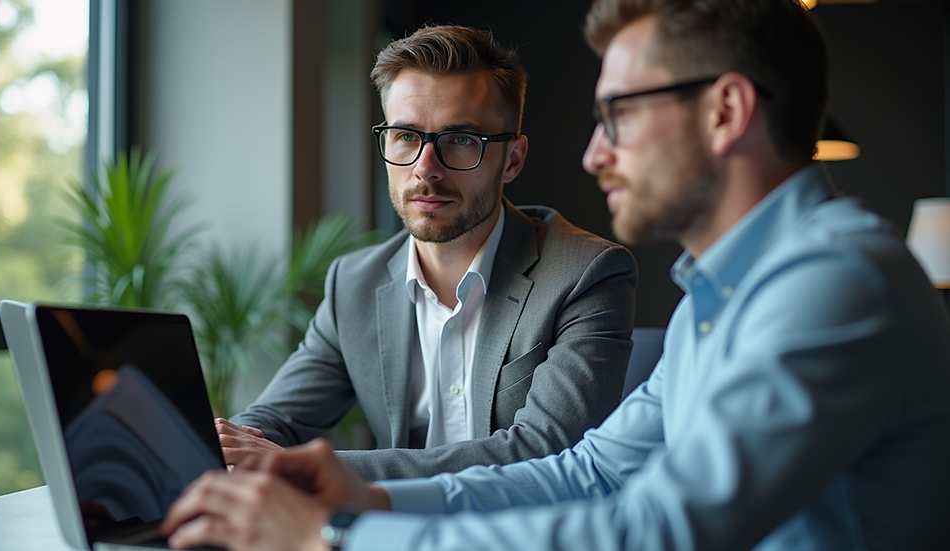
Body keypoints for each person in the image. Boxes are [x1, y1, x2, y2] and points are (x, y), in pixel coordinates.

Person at [161, 1, 950, 549]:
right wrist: (367, 496)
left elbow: (658, 532)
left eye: (619, 116)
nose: (594, 155)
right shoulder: (724, 296)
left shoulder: (834, 283)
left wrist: (338, 535)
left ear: (725, 111)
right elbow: (593, 468)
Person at [217, 24, 638, 482]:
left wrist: (319, 469)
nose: (425, 169)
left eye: (460, 140)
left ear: (512, 160)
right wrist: (227, 444)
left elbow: (546, 455)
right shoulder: (354, 284)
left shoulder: (586, 274)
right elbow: (275, 422)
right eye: (405, 136)